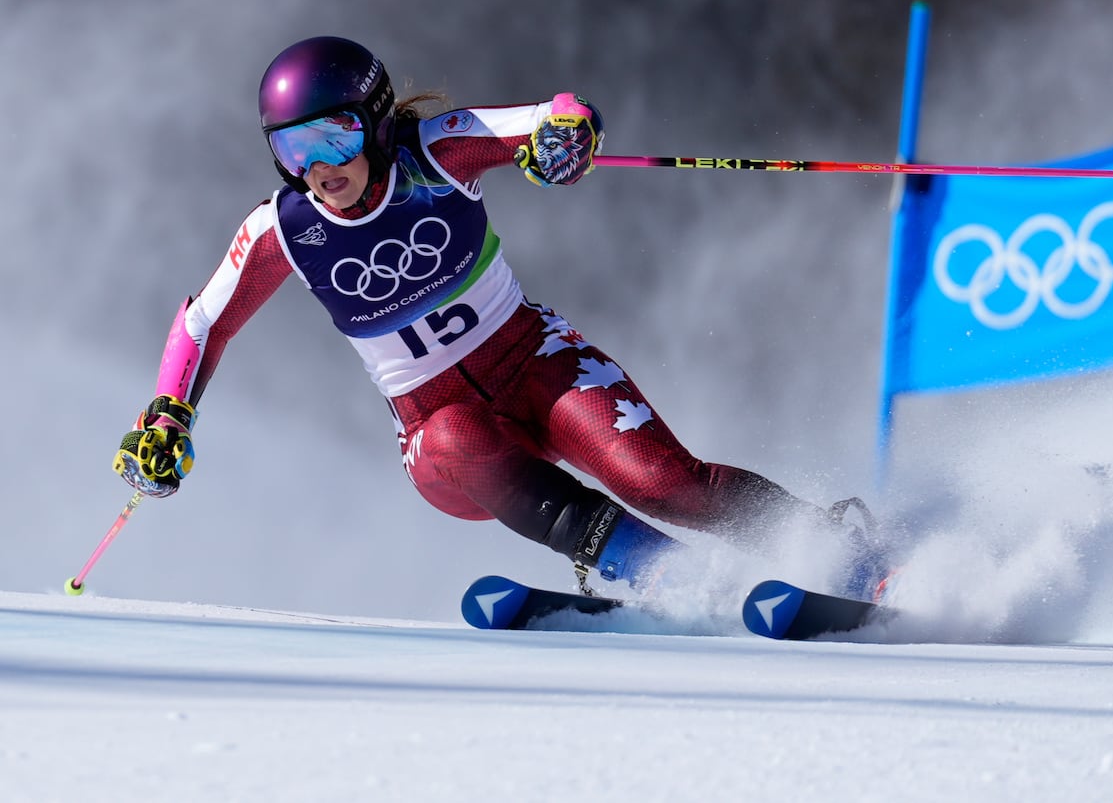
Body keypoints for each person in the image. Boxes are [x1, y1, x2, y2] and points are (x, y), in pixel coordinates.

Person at [113, 36, 884, 596]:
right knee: (457, 434)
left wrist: (566, 139)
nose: (319, 167)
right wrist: (168, 417)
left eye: (334, 135)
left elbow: (561, 115)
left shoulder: (436, 153)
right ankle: (658, 574)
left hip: (536, 362)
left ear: (376, 122)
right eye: (292, 149)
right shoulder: (283, 229)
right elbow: (201, 322)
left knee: (663, 481)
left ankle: (838, 548)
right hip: (439, 433)